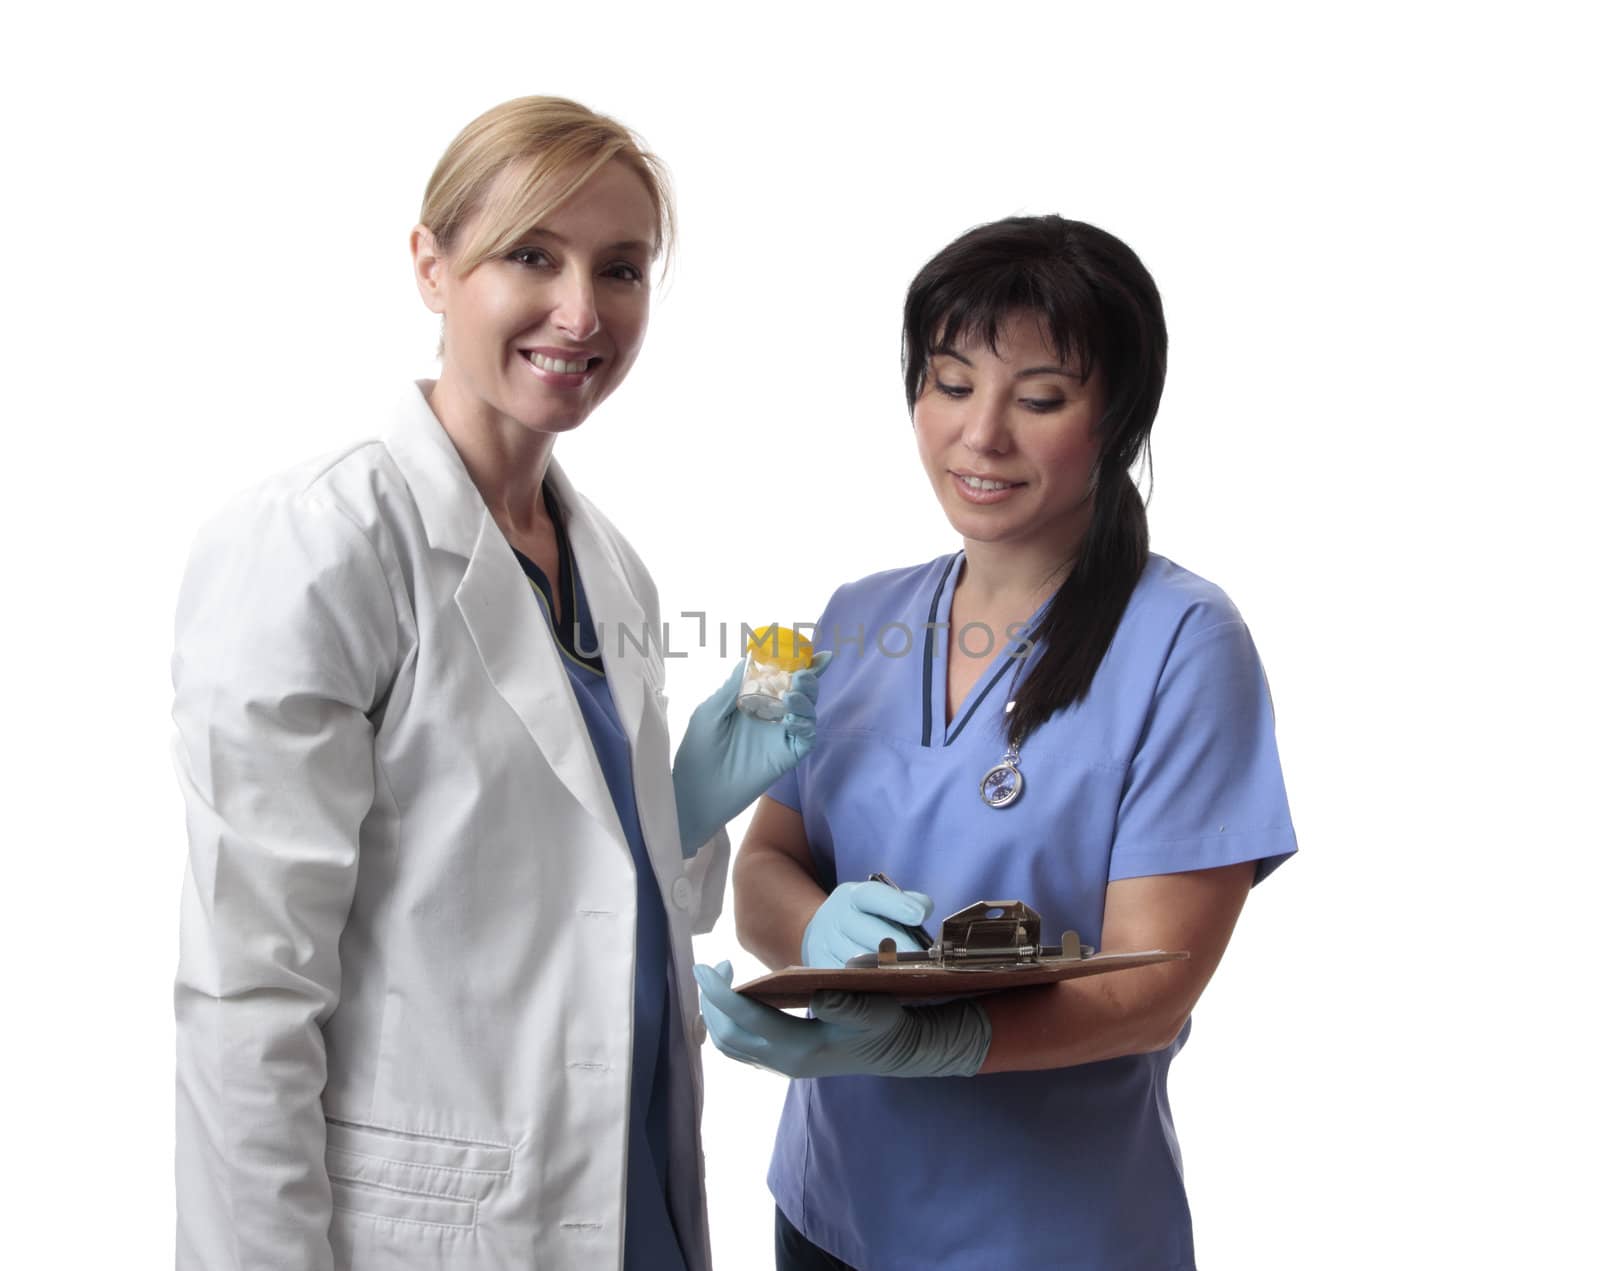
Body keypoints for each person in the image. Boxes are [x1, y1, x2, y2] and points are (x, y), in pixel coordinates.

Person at [171, 96, 822, 1271]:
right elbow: (248, 990)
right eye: (533, 254)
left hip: (629, 1195)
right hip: (437, 1224)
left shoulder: (608, 563)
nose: (583, 311)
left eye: (621, 269)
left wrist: (682, 808)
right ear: (431, 265)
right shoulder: (320, 539)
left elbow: (566, 908)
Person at [693, 215, 1298, 1271]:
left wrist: (929, 1036)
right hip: (828, 1206)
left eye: (1039, 397)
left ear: (1116, 416)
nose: (979, 435)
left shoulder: (1184, 644)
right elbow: (766, 867)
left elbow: (1155, 986)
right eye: (949, 381)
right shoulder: (853, 617)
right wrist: (818, 931)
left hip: (1044, 1232)